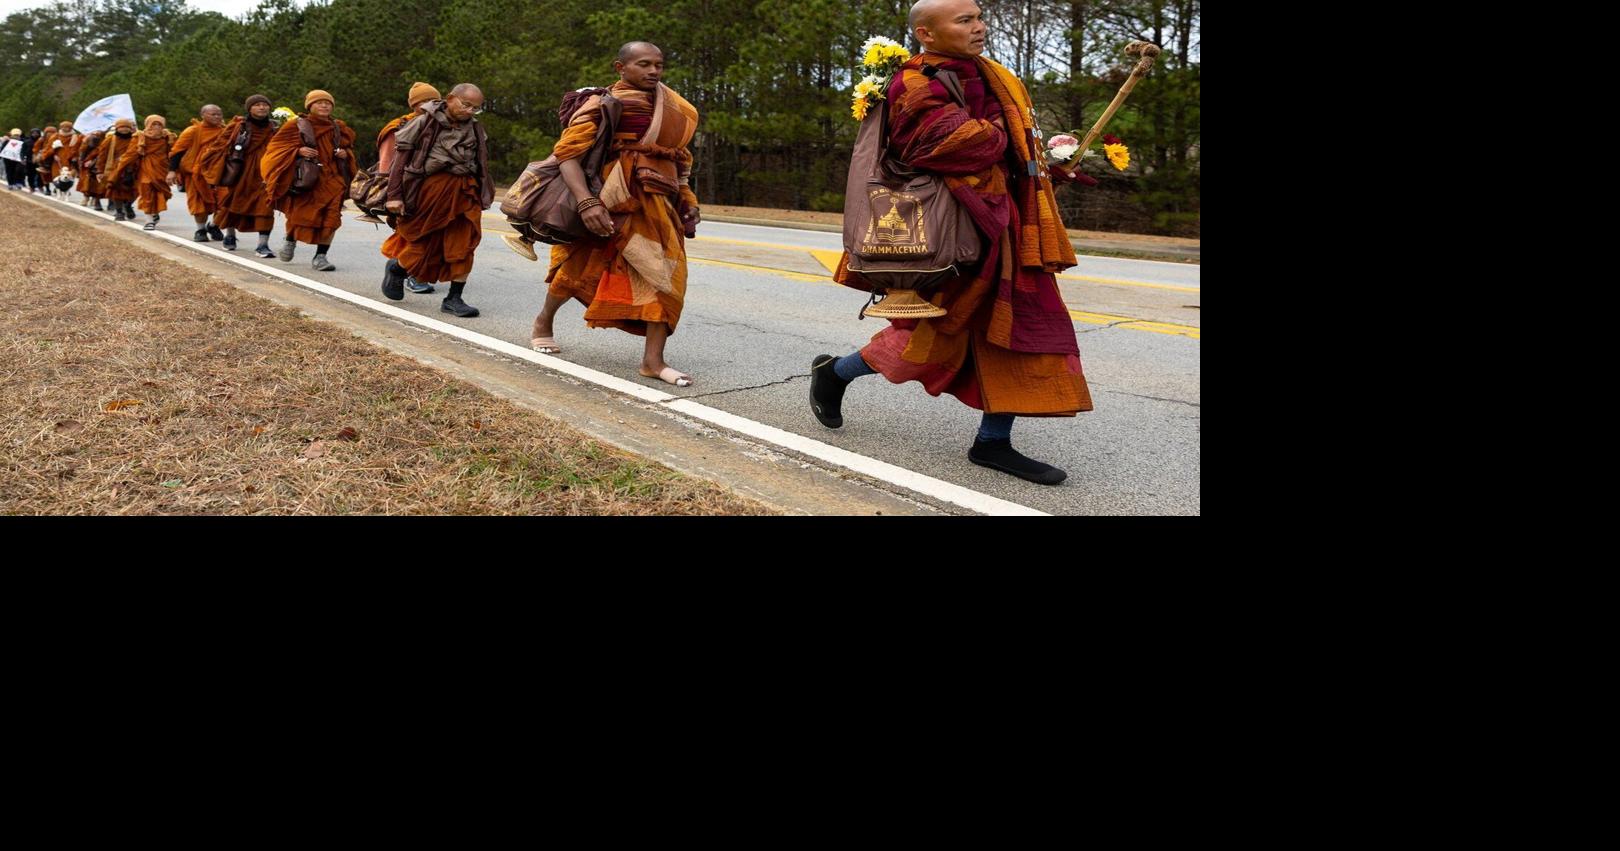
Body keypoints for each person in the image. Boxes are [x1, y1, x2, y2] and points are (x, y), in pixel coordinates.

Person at [810, 0, 1095, 485]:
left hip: (1004, 227)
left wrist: (1040, 161)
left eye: (980, 17)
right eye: (964, 20)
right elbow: (944, 144)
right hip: (954, 234)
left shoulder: (994, 75)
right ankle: (836, 373)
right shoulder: (913, 81)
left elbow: (1000, 149)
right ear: (926, 33)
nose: (979, 27)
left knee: (1017, 330)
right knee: (929, 338)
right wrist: (1015, 138)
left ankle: (992, 443)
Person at [526, 41, 702, 387]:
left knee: (664, 278)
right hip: (609, 202)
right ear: (620, 68)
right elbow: (567, 155)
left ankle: (653, 361)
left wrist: (688, 199)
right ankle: (543, 321)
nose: (654, 71)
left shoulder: (673, 108)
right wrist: (586, 203)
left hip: (659, 205)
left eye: (659, 65)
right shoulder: (602, 103)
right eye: (644, 64)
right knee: (579, 268)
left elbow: (680, 161)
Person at [380, 83, 492, 318]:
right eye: (466, 104)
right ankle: (397, 268)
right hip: (431, 191)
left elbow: (481, 162)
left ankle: (454, 298)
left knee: (465, 245)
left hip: (465, 191)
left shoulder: (475, 128)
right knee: (423, 245)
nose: (470, 111)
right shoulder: (424, 122)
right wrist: (394, 196)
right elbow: (400, 161)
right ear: (451, 98)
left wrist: (484, 191)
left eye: (476, 108)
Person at [260, 89, 355, 271]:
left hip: (333, 180)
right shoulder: (295, 125)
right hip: (308, 179)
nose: (324, 105)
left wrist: (346, 153)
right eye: (319, 102)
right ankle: (290, 239)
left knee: (332, 219)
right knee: (300, 214)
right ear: (310, 106)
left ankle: (321, 257)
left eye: (328, 103)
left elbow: (348, 148)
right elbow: (274, 150)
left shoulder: (338, 127)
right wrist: (297, 151)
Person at [199, 94, 278, 255]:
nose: (262, 107)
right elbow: (219, 146)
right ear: (249, 108)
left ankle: (263, 245)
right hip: (241, 173)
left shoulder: (275, 127)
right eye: (257, 105)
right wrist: (213, 166)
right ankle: (230, 235)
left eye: (265, 105)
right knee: (234, 204)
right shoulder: (237, 126)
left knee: (266, 207)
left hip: (266, 175)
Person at [167, 104, 228, 242]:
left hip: (220, 173)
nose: (217, 117)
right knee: (199, 206)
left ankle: (213, 225)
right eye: (213, 114)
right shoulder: (193, 131)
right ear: (203, 115)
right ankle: (200, 230)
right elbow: (177, 151)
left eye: (219, 114)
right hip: (196, 174)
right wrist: (172, 171)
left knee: (226, 203)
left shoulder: (226, 131)